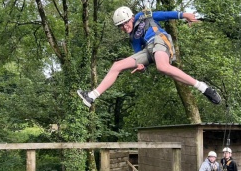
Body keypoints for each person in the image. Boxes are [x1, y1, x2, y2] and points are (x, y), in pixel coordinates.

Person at [77, 6, 221, 107]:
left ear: (131, 18)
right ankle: (92, 96)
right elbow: (138, 56)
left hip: (159, 39)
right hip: (148, 50)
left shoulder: (143, 16)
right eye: (121, 26)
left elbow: (164, 15)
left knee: (162, 67)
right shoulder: (133, 38)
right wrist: (141, 67)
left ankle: (203, 87)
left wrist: (184, 15)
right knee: (117, 65)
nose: (125, 27)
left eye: (126, 23)